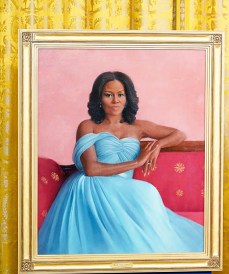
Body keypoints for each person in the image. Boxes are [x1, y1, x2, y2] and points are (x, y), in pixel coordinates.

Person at [38, 71, 204, 254]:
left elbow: (179, 134)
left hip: (122, 186)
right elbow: (91, 169)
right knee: (145, 191)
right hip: (90, 186)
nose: (115, 100)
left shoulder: (138, 126)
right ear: (99, 98)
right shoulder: (88, 125)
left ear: (128, 97)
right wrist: (137, 162)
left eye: (120, 94)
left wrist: (158, 144)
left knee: (144, 194)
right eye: (108, 95)